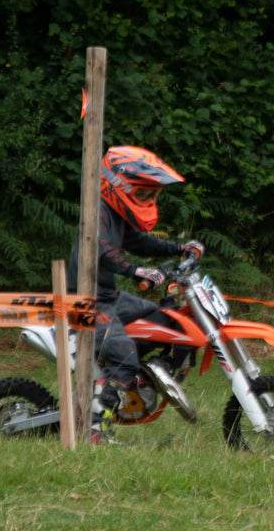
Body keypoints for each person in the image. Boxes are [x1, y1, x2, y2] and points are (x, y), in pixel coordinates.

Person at [67, 146, 203, 444]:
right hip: (84, 303)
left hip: (108, 297)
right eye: (143, 194)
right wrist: (136, 271)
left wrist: (179, 248)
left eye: (152, 196)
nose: (148, 201)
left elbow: (139, 242)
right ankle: (94, 428)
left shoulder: (114, 213)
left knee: (168, 320)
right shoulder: (97, 213)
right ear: (118, 185)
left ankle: (154, 374)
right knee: (125, 358)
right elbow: (102, 251)